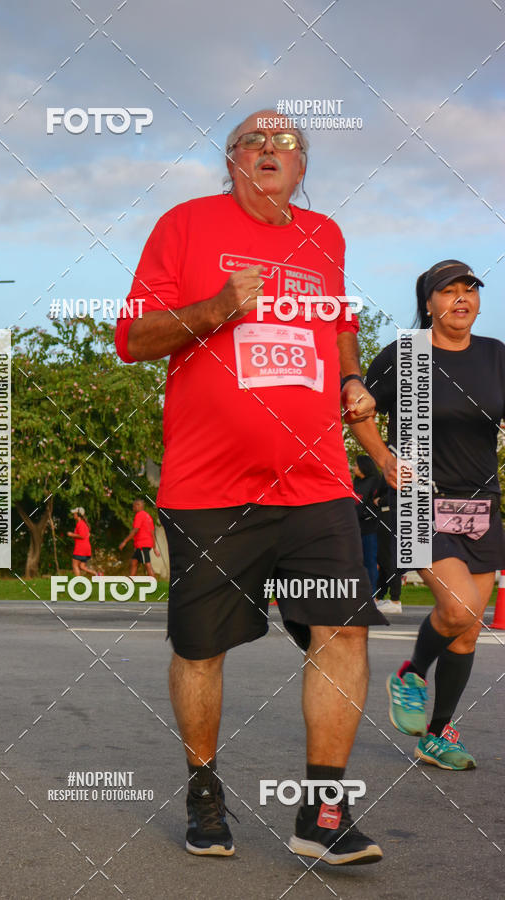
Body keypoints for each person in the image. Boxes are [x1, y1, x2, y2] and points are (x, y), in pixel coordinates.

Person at [116, 109, 387, 864]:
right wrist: (214, 309)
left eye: (287, 143)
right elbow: (133, 337)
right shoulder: (185, 224)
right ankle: (205, 790)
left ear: (303, 168)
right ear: (230, 160)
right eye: (253, 141)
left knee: (343, 630)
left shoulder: (324, 235)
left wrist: (358, 384)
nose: (270, 150)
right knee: (202, 649)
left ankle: (322, 813)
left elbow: (337, 329)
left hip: (317, 482)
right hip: (210, 488)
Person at [351, 259, 505, 770]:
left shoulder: (495, 356)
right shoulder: (406, 356)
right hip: (421, 499)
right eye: (448, 292)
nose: (461, 299)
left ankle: (435, 735)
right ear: (429, 304)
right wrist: (382, 458)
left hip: (481, 504)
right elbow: (357, 408)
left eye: (469, 291)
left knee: (466, 630)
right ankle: (411, 672)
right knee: (459, 608)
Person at [352, 455, 380, 596]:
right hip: (355, 528)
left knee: (369, 560)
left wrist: (366, 514)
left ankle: (371, 594)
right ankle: (358, 593)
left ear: (364, 466)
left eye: (356, 465)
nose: (354, 468)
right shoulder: (355, 483)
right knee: (356, 562)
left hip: (370, 527)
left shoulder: (375, 481)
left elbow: (375, 502)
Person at [375, 475, 402, 613]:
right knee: (383, 559)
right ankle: (378, 597)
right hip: (386, 516)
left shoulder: (396, 472)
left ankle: (395, 599)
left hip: (390, 515)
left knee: (388, 559)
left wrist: (380, 500)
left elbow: (398, 493)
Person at [119, 499, 160, 577]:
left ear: (138, 505)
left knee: (147, 564)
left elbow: (135, 530)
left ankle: (154, 582)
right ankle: (131, 581)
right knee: (134, 562)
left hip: (142, 544)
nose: (133, 508)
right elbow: (152, 533)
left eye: (133, 506)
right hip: (145, 544)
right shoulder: (148, 516)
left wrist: (124, 541)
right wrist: (154, 548)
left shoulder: (139, 515)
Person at [67, 507, 101, 577]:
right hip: (86, 549)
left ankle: (78, 582)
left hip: (80, 548)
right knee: (82, 566)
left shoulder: (80, 524)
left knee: (74, 565)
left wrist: (71, 534)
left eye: (75, 513)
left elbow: (82, 536)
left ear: (78, 514)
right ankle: (96, 574)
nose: (74, 514)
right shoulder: (84, 524)